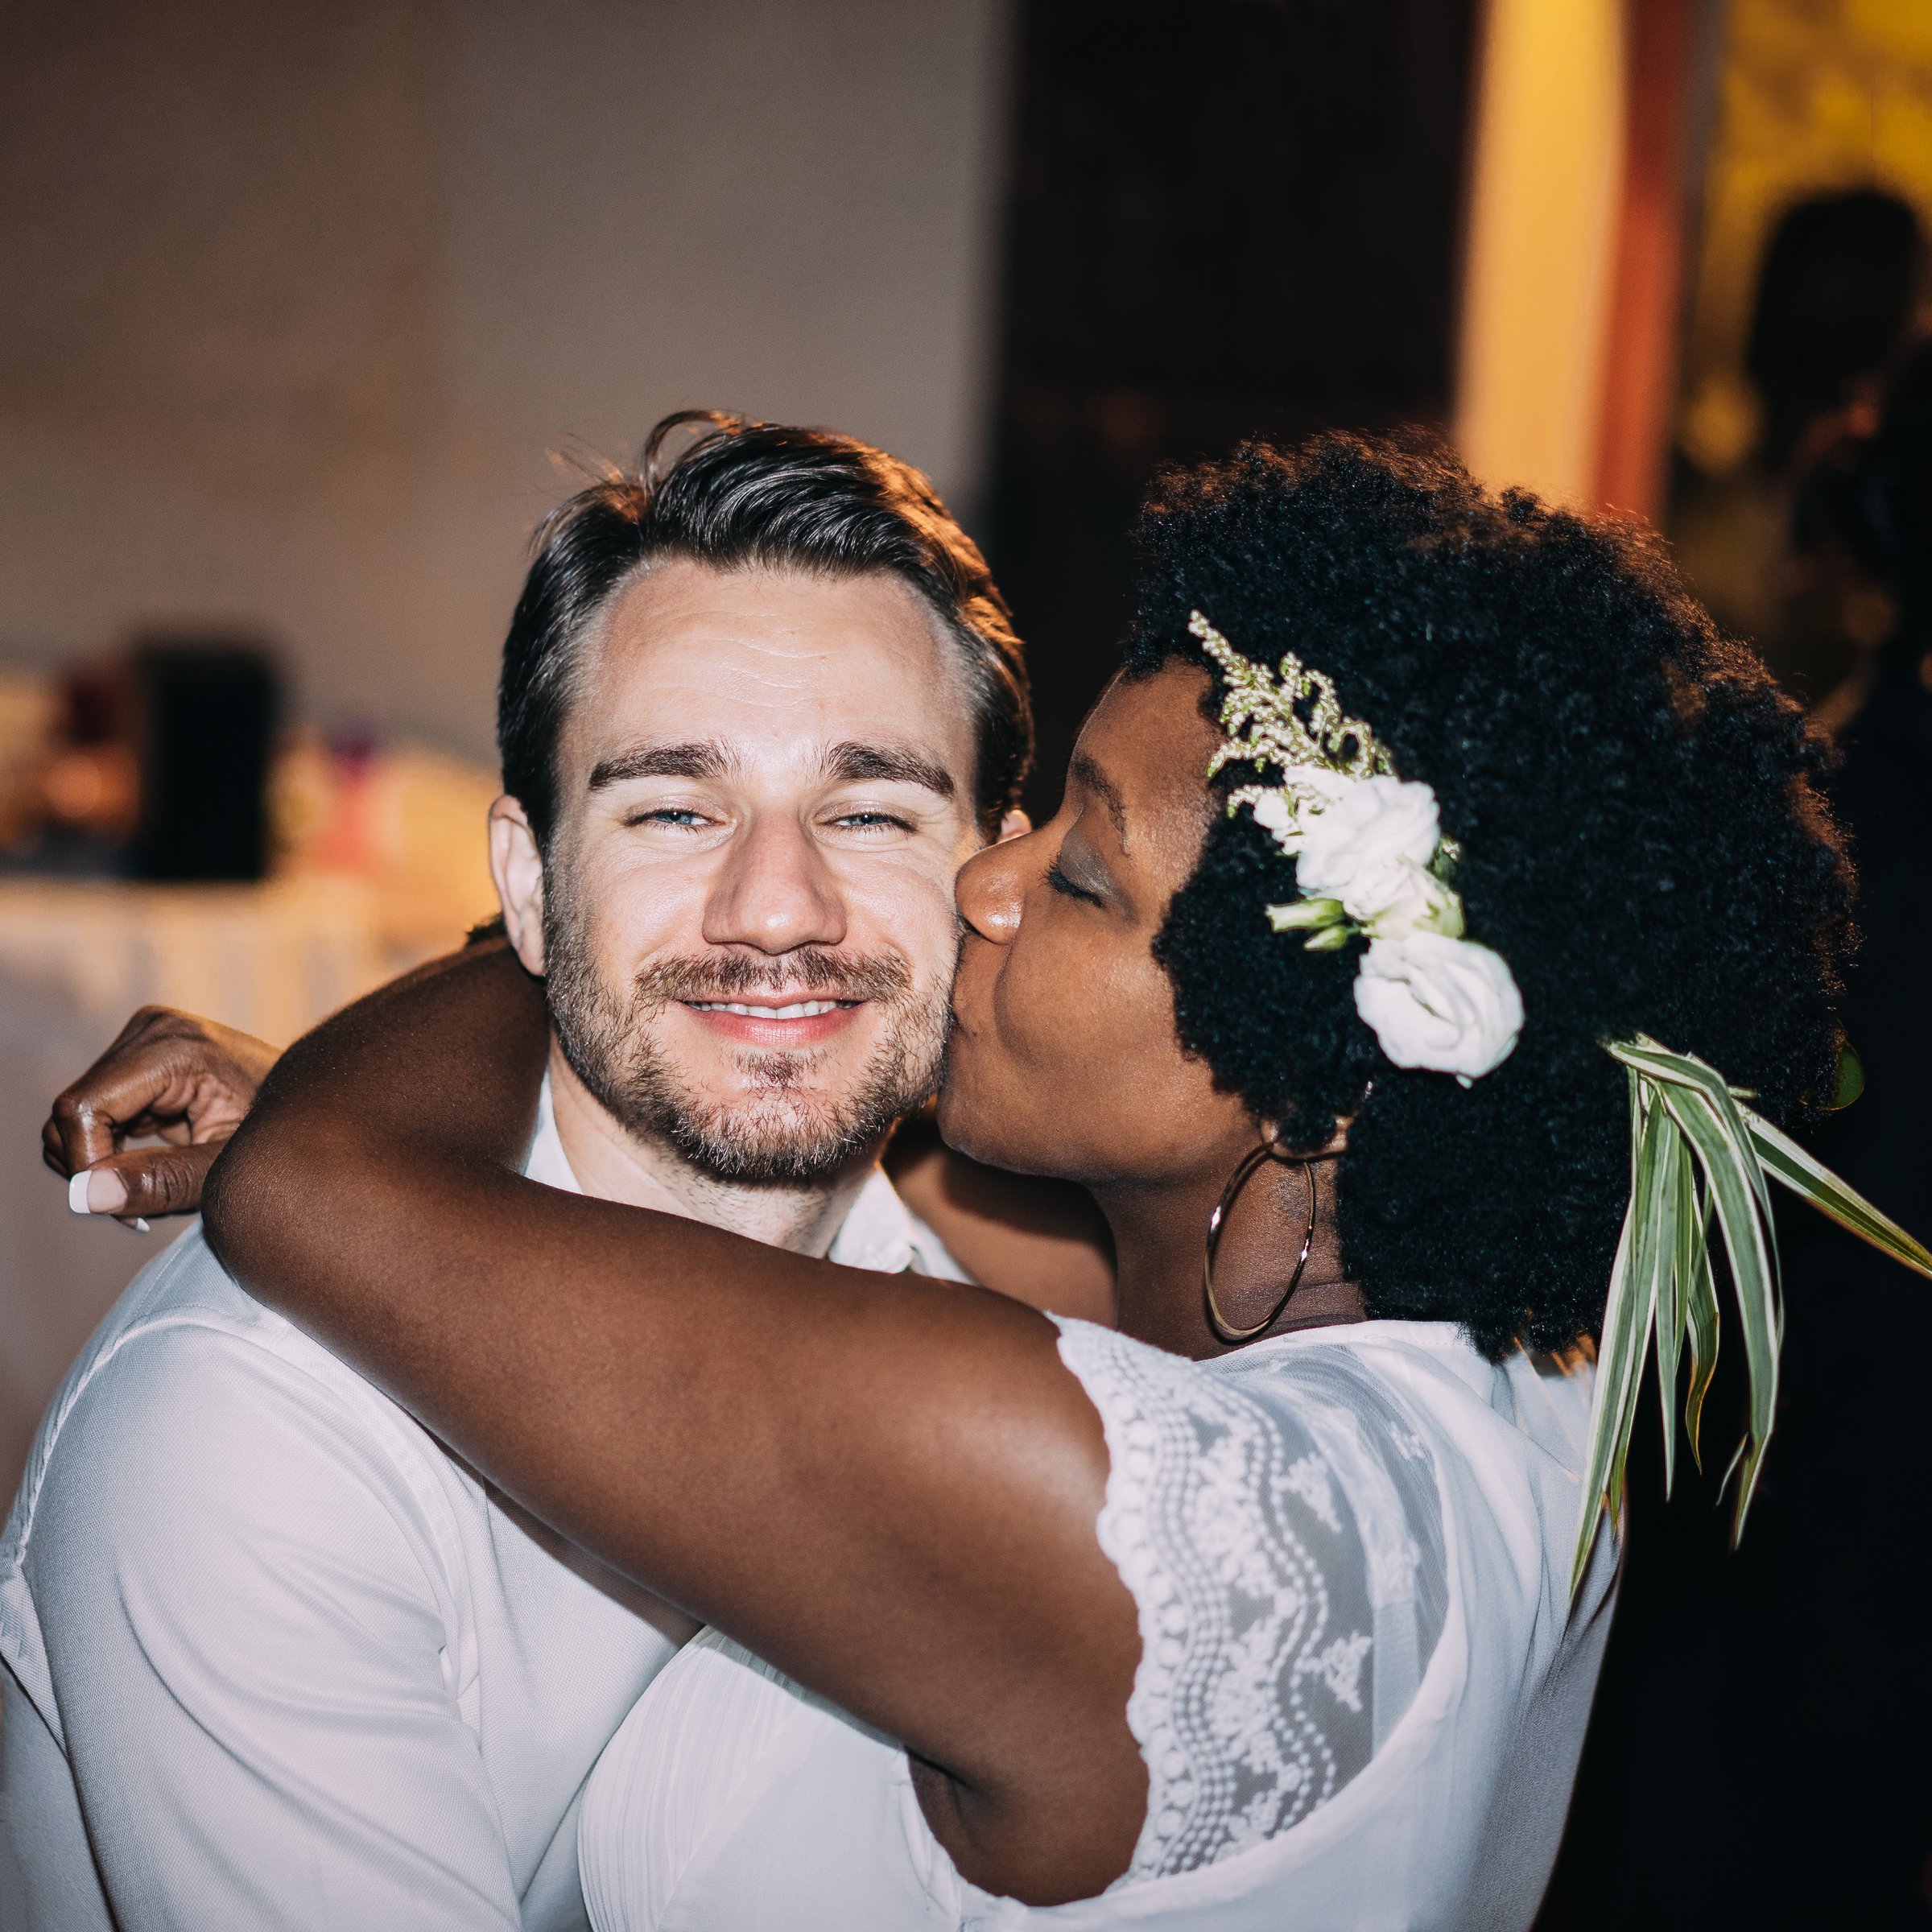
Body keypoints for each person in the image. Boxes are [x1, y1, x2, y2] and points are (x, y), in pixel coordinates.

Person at [75, 433, 1867, 1926]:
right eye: (677, 804)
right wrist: (614, 940)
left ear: (1333, 1090)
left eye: (1076, 872)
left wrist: (574, 940)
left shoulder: (1083, 1483)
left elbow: (320, 1187)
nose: (986, 886)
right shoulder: (1514, 1367)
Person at [2, 411, 1112, 1930]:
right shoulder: (251, 1435)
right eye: (673, 809)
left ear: (988, 873)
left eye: (867, 811)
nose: (776, 906)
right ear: (526, 888)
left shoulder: (995, 1308)